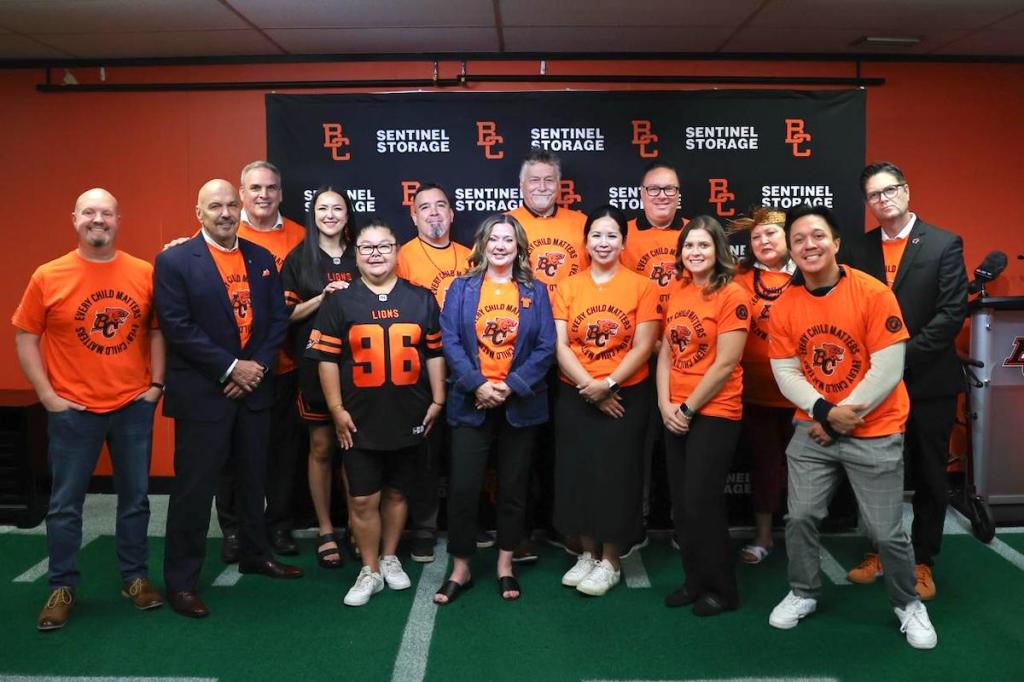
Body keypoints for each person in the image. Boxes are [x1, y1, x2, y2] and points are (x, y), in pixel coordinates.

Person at [766, 204, 937, 650]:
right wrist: (824, 412)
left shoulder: (873, 293)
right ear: (791, 248)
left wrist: (838, 418)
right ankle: (803, 591)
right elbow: (785, 372)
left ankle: (907, 604)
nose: (809, 245)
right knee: (800, 517)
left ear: (837, 243)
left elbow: (888, 366)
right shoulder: (785, 304)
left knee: (885, 532)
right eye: (799, 238)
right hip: (815, 428)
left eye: (818, 236)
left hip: (874, 427)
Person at [13, 188, 165, 631]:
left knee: (136, 500)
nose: (98, 220)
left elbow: (157, 331)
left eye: (106, 213)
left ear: (118, 219)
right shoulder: (49, 274)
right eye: (89, 213)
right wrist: (47, 396)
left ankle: (135, 579)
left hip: (132, 406)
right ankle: (61, 586)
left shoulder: (143, 272)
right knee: (65, 505)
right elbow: (25, 335)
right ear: (74, 219)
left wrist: (156, 385)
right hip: (73, 411)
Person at [156, 179, 301, 619]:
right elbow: (177, 326)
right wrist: (229, 367)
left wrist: (253, 367)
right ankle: (181, 582)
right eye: (214, 206)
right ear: (198, 212)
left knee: (254, 480)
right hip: (205, 395)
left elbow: (278, 318)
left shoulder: (258, 257)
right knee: (194, 491)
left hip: (253, 390)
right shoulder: (175, 260)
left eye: (230, 205)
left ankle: (255, 555)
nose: (224, 213)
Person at [843, 162, 969, 599]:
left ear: (907, 191)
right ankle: (880, 551)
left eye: (890, 190)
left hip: (927, 381)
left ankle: (921, 560)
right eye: (874, 195)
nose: (884, 199)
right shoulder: (858, 250)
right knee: (879, 475)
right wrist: (878, 368)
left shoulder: (943, 243)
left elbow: (951, 313)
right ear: (868, 203)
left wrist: (896, 358)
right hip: (874, 386)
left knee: (932, 476)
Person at [306, 219, 447, 607]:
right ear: (356, 254)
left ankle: (389, 558)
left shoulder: (420, 299)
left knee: (399, 492)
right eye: (367, 248)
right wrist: (335, 409)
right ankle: (368, 569)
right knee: (363, 499)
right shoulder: (340, 301)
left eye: (384, 247)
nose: (376, 255)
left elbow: (434, 353)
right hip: (360, 418)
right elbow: (327, 360)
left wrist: (437, 400)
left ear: (397, 251)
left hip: (410, 412)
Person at [434, 214, 556, 604]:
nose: (501, 246)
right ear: (482, 245)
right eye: (494, 239)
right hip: (472, 402)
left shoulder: (536, 291)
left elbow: (546, 347)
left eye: (508, 240)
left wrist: (511, 386)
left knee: (514, 489)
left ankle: (505, 563)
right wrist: (478, 385)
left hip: (520, 405)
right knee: (465, 488)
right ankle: (461, 567)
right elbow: (449, 340)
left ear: (519, 246)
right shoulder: (462, 288)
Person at [552, 205, 660, 597]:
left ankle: (611, 560)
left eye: (612, 235)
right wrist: (590, 388)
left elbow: (645, 344)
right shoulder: (569, 285)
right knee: (577, 473)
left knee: (617, 476)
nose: (603, 242)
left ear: (623, 242)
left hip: (626, 394)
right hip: (576, 392)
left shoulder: (642, 286)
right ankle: (587, 553)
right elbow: (560, 344)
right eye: (596, 235)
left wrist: (609, 384)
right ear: (585, 242)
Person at [656, 215, 749, 616]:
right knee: (682, 504)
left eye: (703, 246)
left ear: (718, 252)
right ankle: (694, 581)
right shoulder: (677, 290)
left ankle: (722, 590)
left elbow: (726, 363)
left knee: (702, 502)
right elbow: (665, 351)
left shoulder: (733, 295)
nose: (695, 253)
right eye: (689, 246)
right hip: (675, 410)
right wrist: (665, 404)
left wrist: (688, 407)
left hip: (714, 410)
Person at [216, 161, 307, 560]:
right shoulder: (225, 234)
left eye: (271, 187)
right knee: (233, 455)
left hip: (285, 363)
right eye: (255, 188)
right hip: (235, 367)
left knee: (282, 453)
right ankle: (234, 530)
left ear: (281, 193)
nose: (263, 195)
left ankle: (280, 525)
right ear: (242, 193)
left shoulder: (302, 237)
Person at [506, 148, 587, 561]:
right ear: (522, 187)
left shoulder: (580, 223)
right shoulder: (506, 225)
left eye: (548, 180)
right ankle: (517, 531)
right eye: (533, 181)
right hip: (520, 352)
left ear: (560, 186)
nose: (541, 187)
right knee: (521, 448)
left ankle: (565, 525)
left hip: (574, 349)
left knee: (565, 445)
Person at [281, 186, 358, 569]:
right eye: (323, 208)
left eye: (338, 208)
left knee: (358, 450)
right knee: (323, 447)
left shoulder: (362, 252)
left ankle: (358, 528)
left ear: (348, 214)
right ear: (314, 215)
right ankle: (326, 529)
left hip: (359, 366)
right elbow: (286, 316)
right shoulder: (300, 258)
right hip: (314, 366)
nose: (330, 214)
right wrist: (324, 297)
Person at [396, 182, 471, 563]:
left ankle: (465, 526)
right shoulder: (402, 256)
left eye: (441, 205)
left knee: (464, 454)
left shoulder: (471, 256)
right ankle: (423, 530)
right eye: (425, 207)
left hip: (465, 370)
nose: (434, 213)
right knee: (424, 455)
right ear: (414, 215)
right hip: (421, 370)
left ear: (452, 213)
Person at [620, 161, 689, 556]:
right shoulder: (625, 235)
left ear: (679, 196)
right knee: (636, 448)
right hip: (635, 359)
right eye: (654, 189)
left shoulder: (695, 232)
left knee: (681, 446)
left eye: (670, 189)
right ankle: (636, 523)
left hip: (686, 359)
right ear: (641, 194)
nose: (662, 195)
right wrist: (648, 342)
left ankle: (685, 522)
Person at [729, 209, 796, 564]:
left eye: (771, 234)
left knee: (806, 470)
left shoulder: (807, 274)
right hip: (755, 390)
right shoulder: (739, 277)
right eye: (756, 237)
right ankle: (763, 537)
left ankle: (804, 538)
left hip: (803, 393)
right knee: (764, 465)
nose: (763, 242)